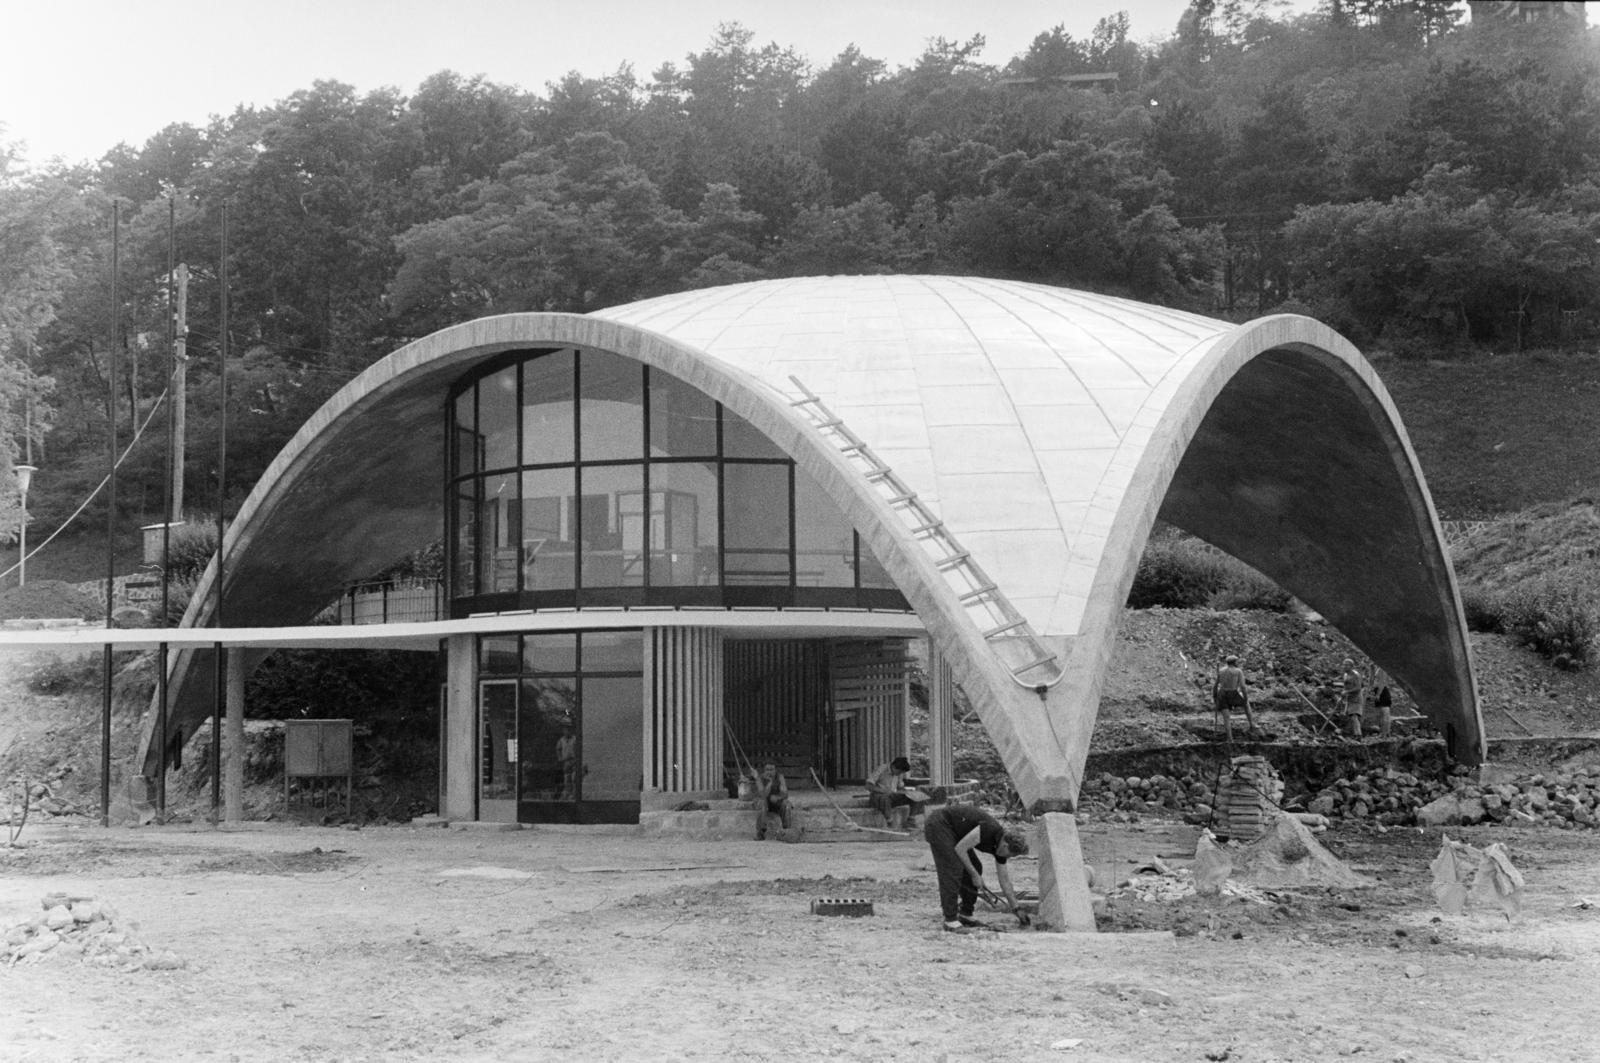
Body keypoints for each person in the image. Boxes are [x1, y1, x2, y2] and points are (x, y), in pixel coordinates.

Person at [923, 804, 1027, 932]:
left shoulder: (1000, 848)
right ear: (1005, 845)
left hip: (956, 833)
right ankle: (950, 921)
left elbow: (1004, 880)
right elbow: (960, 849)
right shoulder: (988, 829)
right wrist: (974, 875)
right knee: (953, 868)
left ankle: (966, 914)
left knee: (975, 866)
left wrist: (1016, 908)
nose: (1007, 858)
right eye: (1009, 855)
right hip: (940, 824)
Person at [865, 756, 926, 829]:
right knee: (884, 798)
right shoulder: (881, 769)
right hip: (878, 797)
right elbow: (868, 786)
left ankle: (911, 820)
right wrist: (884, 791)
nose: (900, 774)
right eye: (899, 772)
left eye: (902, 772)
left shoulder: (898, 774)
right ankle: (890, 822)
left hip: (892, 796)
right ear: (893, 767)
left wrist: (908, 792)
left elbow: (900, 787)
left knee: (917, 796)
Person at [1211, 655, 1258, 741]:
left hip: (1222, 694)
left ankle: (1230, 739)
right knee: (1246, 704)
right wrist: (1245, 697)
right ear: (1234, 662)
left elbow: (1215, 685)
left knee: (1226, 717)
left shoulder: (1221, 671)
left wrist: (1215, 697)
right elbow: (1243, 687)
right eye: (1237, 662)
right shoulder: (1238, 671)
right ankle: (1252, 725)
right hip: (1232, 692)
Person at [753, 762, 793, 840]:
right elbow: (763, 795)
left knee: (787, 804)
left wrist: (778, 797)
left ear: (775, 770)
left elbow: (785, 794)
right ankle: (760, 832)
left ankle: (786, 832)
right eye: (767, 770)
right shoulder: (759, 778)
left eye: (771, 770)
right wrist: (770, 783)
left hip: (775, 803)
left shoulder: (780, 777)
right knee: (762, 803)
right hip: (763, 802)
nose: (769, 772)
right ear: (764, 771)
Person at [1338, 658, 1366, 737]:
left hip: (1356, 698)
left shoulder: (1356, 675)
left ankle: (1358, 735)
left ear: (1351, 666)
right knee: (1351, 716)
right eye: (1343, 665)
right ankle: (1354, 733)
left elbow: (1358, 688)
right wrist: (1342, 697)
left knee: (1354, 716)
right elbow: (1345, 687)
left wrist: (1346, 692)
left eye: (1346, 665)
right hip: (1349, 698)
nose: (1344, 666)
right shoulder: (1345, 675)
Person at [555, 726, 578, 799]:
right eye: (565, 731)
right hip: (566, 761)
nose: (567, 732)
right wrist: (560, 758)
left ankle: (574, 795)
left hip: (574, 760)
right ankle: (567, 793)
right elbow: (558, 749)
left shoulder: (575, 739)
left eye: (568, 730)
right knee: (567, 778)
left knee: (574, 778)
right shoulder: (561, 740)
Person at [1373, 668, 1394, 738]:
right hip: (1380, 691)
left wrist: (1378, 694)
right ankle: (1386, 733)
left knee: (1384, 714)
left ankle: (1384, 733)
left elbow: (1382, 682)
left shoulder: (1382, 669)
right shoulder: (1378, 668)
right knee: (1383, 714)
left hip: (1382, 692)